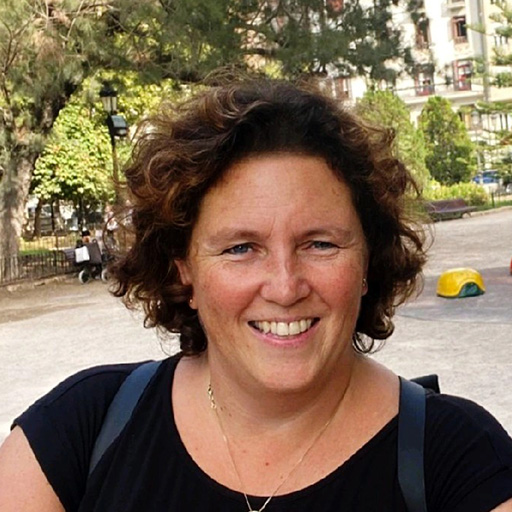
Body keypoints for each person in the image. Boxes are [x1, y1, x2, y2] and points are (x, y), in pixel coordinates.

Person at [1, 77, 511, 512]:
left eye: (320, 243)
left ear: (367, 264)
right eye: (241, 248)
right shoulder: (82, 429)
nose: (285, 287)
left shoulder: (461, 460)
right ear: (184, 270)